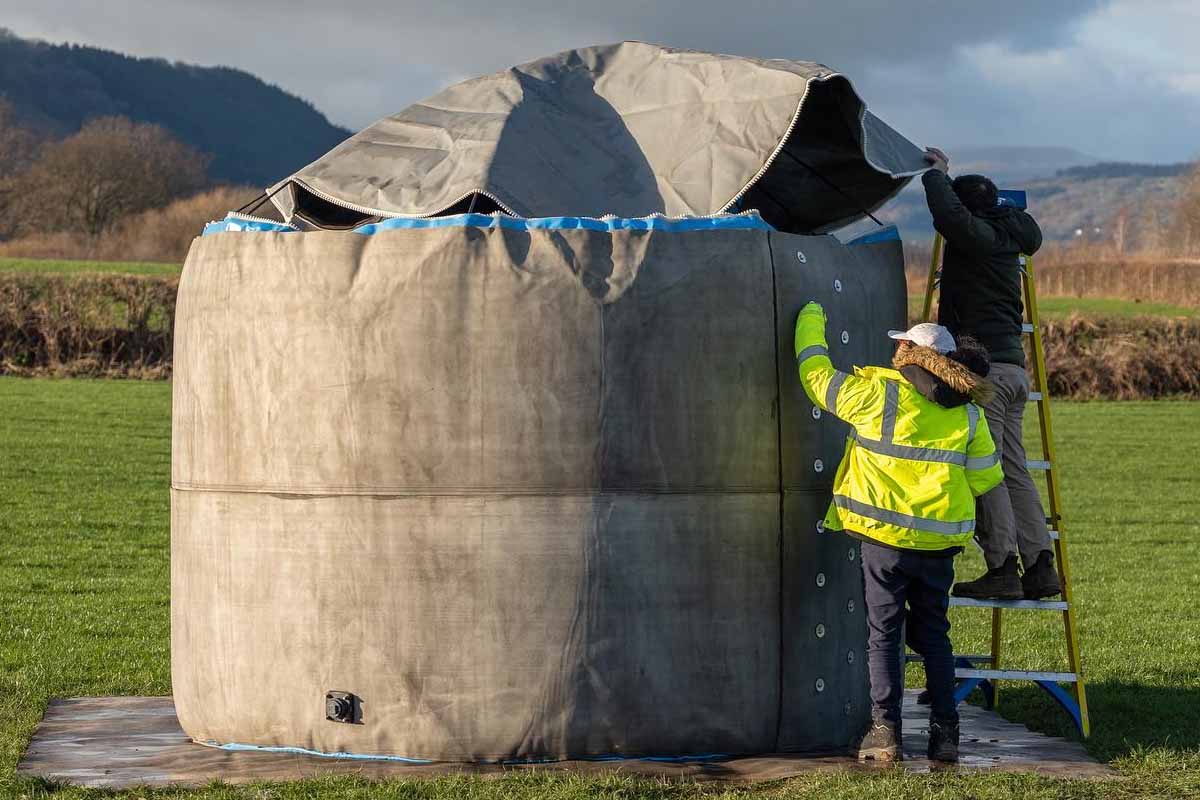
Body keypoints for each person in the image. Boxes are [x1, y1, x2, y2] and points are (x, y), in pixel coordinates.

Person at [794, 303, 1004, 763]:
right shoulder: (969, 414)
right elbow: (986, 478)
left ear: (909, 353)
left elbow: (816, 376)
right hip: (939, 545)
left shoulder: (875, 396)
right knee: (935, 636)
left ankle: (885, 733)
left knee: (883, 635)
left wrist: (810, 319)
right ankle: (945, 734)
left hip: (884, 543)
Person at [920, 147, 1062, 601]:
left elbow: (949, 216)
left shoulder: (975, 237)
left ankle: (1002, 566)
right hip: (1014, 372)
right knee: (1016, 469)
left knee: (989, 473)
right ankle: (1040, 566)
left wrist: (937, 175)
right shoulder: (1009, 233)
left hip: (988, 377)